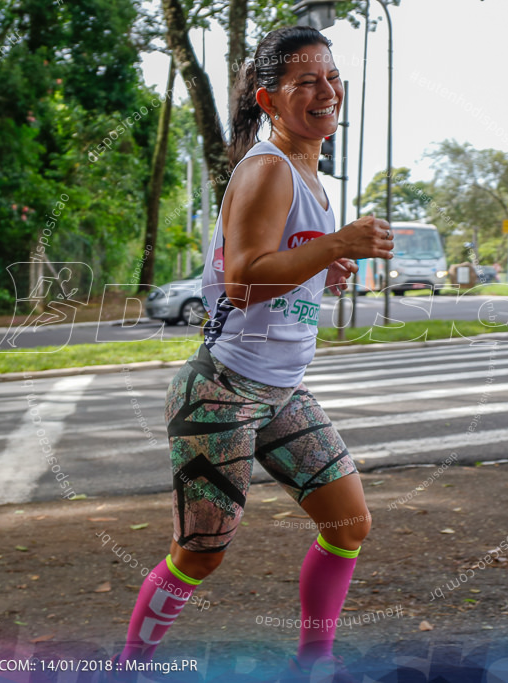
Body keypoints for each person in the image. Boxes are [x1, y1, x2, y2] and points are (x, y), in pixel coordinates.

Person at [116, 25, 393, 681]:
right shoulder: (268, 168)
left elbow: (267, 264)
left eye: (331, 77)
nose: (327, 91)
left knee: (348, 523)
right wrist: (335, 246)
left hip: (281, 392)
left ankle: (314, 662)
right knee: (200, 552)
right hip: (223, 390)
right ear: (270, 101)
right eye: (306, 82)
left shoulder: (310, 177)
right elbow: (241, 279)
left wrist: (320, 266)